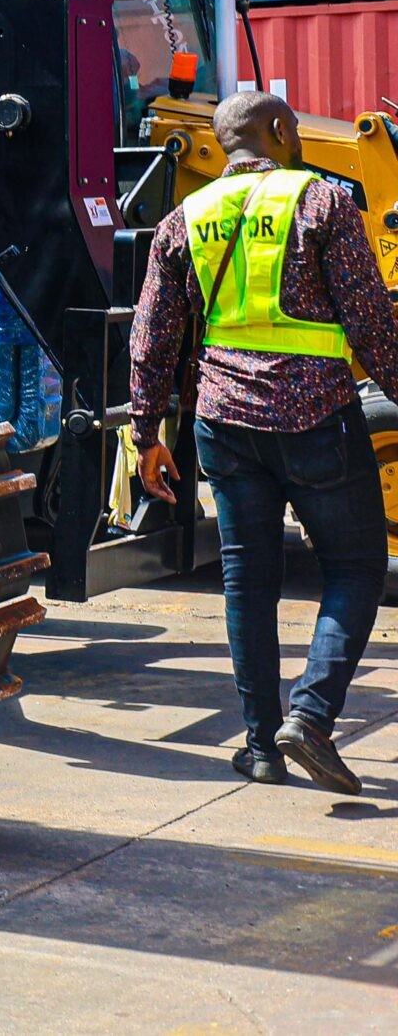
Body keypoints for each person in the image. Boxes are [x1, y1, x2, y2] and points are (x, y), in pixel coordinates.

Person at [131, 91, 398, 793]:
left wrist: (144, 433)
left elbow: (152, 336)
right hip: (315, 418)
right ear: (280, 130)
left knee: (248, 580)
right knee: (357, 565)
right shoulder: (322, 203)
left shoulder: (184, 218)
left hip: (223, 425)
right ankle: (310, 715)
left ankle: (260, 747)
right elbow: (371, 322)